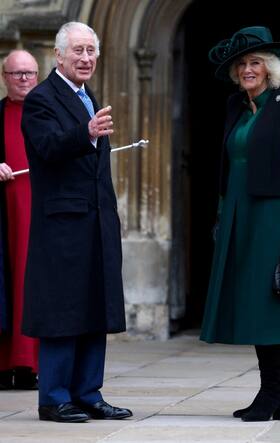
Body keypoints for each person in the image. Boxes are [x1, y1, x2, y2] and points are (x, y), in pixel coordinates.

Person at [200, 26, 280, 422]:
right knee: (252, 304)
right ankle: (275, 393)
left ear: (270, 69)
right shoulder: (236, 107)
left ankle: (271, 392)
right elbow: (227, 166)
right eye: (241, 64)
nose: (247, 69)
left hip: (275, 214)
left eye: (255, 62)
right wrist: (223, 215)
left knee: (270, 304)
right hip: (240, 214)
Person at [21, 21, 132, 423]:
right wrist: (84, 133)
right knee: (63, 311)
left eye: (91, 51)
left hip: (97, 221)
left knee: (95, 309)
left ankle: (88, 392)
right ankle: (53, 397)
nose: (86, 58)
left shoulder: (89, 96)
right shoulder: (41, 99)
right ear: (59, 55)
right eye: (78, 51)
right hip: (62, 226)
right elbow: (48, 147)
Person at [0, 50, 39, 390]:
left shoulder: (48, 113)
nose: (23, 78)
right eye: (16, 73)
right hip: (4, 214)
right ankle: (3, 364)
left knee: (33, 282)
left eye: (29, 73)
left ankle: (29, 364)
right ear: (4, 77)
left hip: (38, 212)